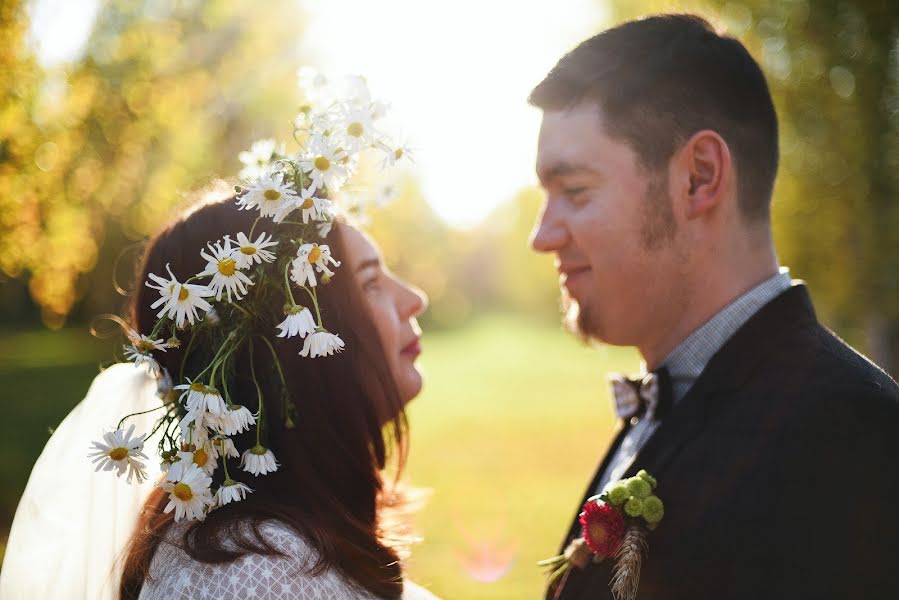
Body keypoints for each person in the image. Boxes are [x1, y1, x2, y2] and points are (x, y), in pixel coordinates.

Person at [0, 74, 439, 600]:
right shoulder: (256, 578)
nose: (415, 298)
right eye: (369, 282)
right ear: (289, 347)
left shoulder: (292, 545)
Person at [528, 13, 899, 600]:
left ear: (699, 178)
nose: (542, 236)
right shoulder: (670, 401)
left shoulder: (855, 438)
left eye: (574, 192)